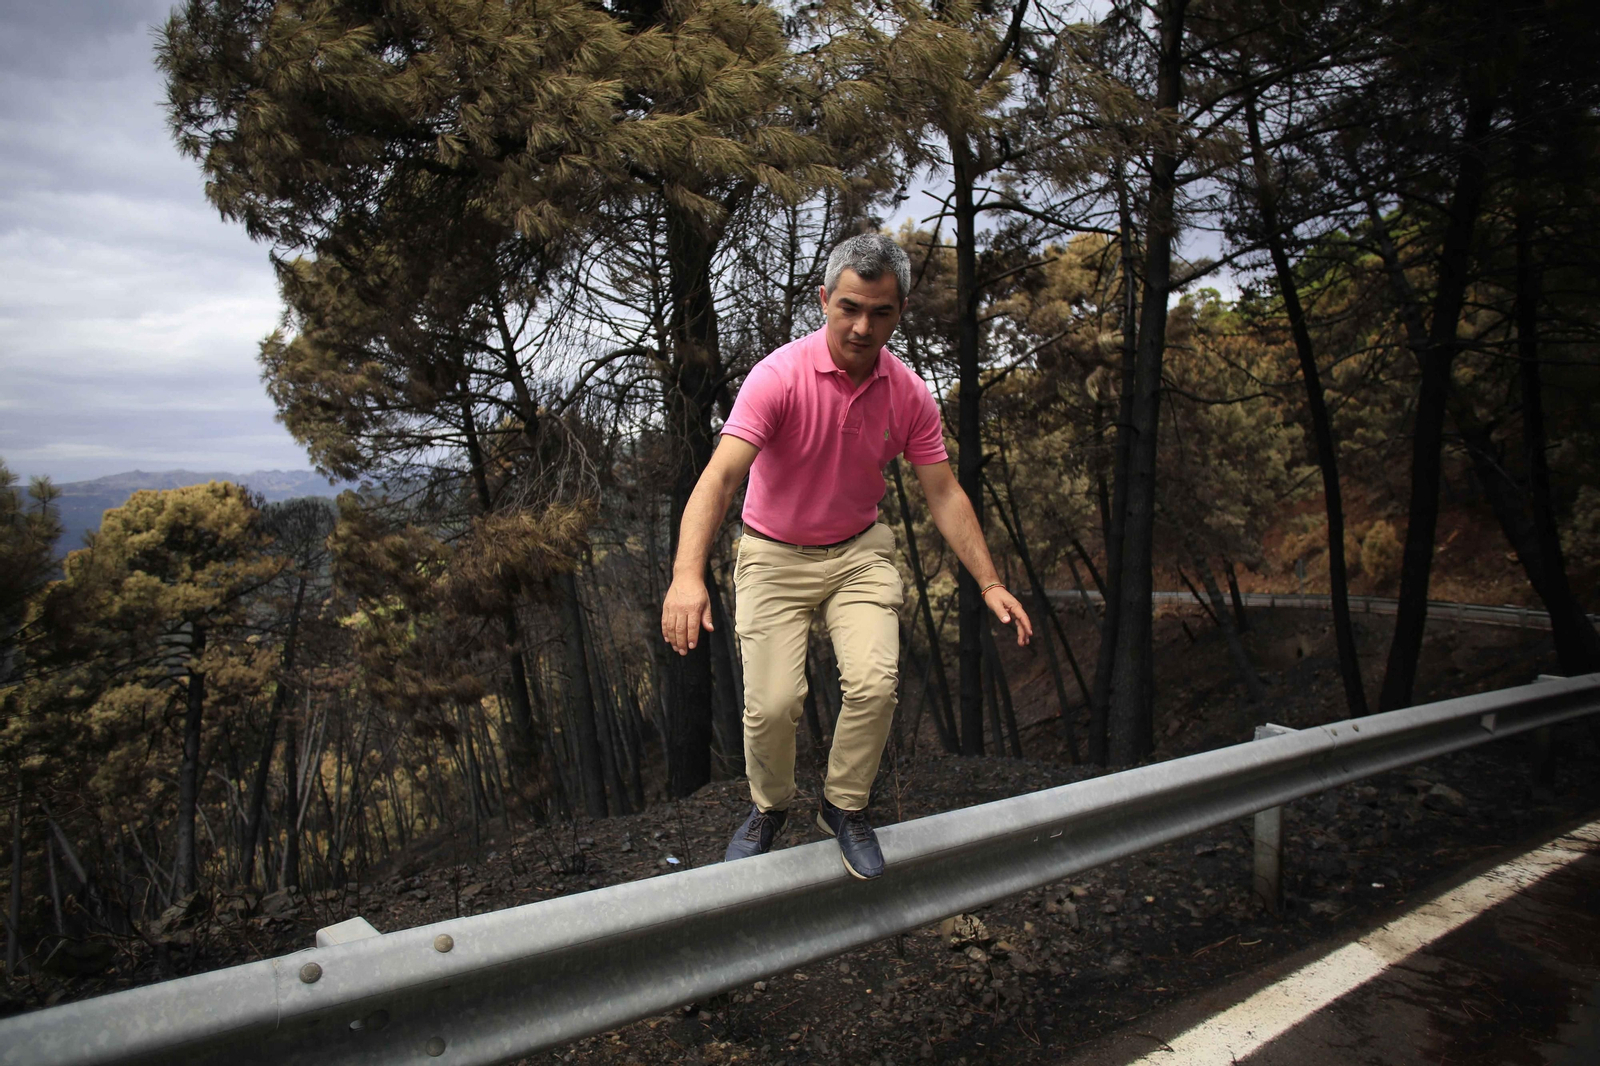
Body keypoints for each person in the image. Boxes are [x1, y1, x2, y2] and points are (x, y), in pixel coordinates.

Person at [660, 233, 1032, 879]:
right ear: (825, 298)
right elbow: (719, 479)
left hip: (858, 552)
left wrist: (990, 581)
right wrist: (687, 575)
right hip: (773, 554)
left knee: (874, 682)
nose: (863, 327)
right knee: (773, 704)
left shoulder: (908, 393)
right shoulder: (777, 378)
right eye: (850, 308)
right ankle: (769, 807)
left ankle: (844, 805)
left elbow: (943, 493)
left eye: (881, 313)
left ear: (901, 311)